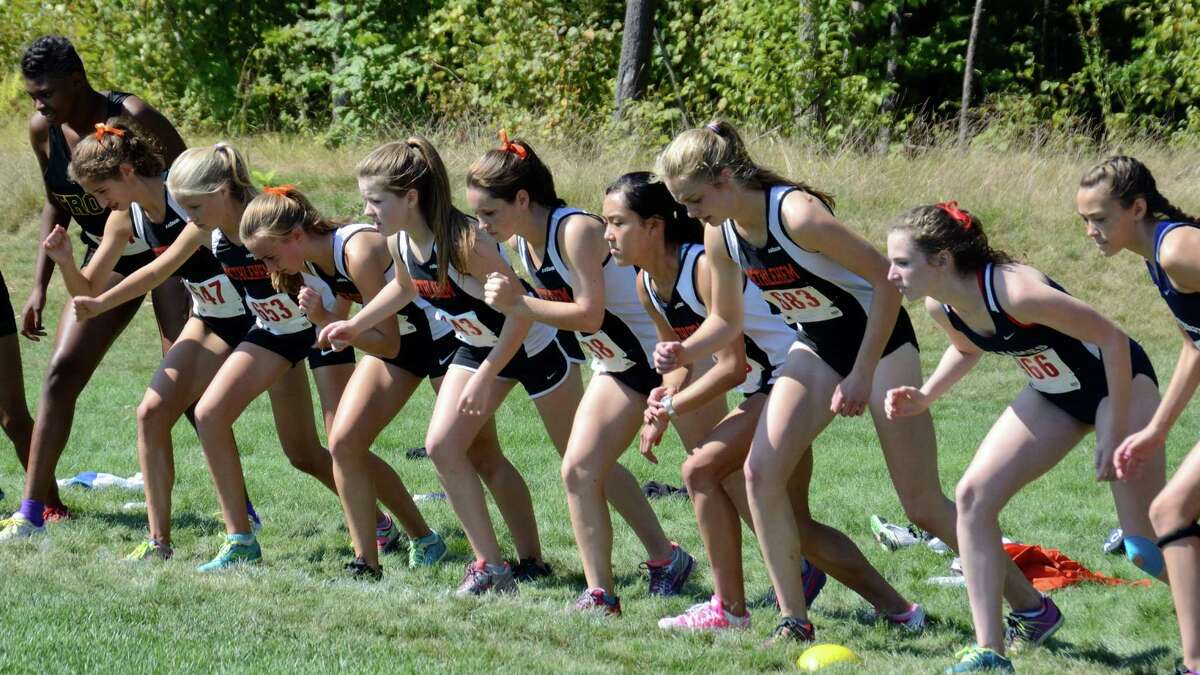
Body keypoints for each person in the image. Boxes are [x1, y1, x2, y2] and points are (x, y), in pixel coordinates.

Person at [654, 121, 929, 642]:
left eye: (694, 200)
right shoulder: (721, 232)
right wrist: (685, 350)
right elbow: (727, 320)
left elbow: (887, 283)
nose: (690, 215)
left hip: (882, 343)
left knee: (920, 504)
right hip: (819, 348)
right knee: (760, 474)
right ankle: (793, 621)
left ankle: (1026, 606)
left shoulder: (797, 215)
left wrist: (863, 373)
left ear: (726, 178)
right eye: (681, 205)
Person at [884, 200, 1164, 673]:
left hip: (1120, 385)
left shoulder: (1017, 292)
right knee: (972, 496)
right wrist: (927, 395)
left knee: (1146, 547)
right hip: (1055, 393)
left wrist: (1112, 420)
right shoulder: (942, 304)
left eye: (902, 262)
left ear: (942, 261)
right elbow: (965, 346)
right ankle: (991, 650)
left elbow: (1114, 341)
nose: (891, 274)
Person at [321, 136, 573, 596]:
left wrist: (484, 376)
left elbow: (519, 313)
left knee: (577, 462)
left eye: (376, 201)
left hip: (527, 345)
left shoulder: (466, 242)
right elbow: (403, 288)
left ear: (410, 197)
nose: (368, 212)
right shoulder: (399, 241)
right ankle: (492, 567)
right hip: (478, 345)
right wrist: (356, 325)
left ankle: (534, 558)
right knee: (444, 447)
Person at [472, 136, 709, 613]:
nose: (482, 225)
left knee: (717, 476)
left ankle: (797, 569)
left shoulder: (574, 230)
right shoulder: (520, 239)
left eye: (489, 214)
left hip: (673, 360)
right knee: (579, 469)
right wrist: (491, 363)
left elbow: (589, 315)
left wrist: (519, 301)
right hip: (618, 364)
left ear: (522, 199)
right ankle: (605, 592)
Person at [600, 171, 823, 630]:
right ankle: (897, 610)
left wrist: (671, 408)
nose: (607, 236)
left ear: (654, 225)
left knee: (702, 471)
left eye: (617, 223)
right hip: (763, 385)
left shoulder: (700, 266)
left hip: (794, 376)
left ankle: (731, 609)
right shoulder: (646, 282)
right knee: (799, 527)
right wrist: (664, 393)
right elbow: (680, 359)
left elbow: (730, 365)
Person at [3, 35, 191, 535]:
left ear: (76, 81)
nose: (39, 104)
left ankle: (240, 508)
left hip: (167, 252)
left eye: (46, 93)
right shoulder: (43, 130)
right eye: (32, 96)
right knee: (61, 372)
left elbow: (195, 180)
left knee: (187, 378)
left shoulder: (133, 115)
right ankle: (34, 510)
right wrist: (40, 285)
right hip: (105, 253)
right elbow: (55, 202)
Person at [238, 183, 447, 578]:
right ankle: (373, 559)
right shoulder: (313, 260)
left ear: (296, 235)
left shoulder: (357, 250)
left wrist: (328, 321)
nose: (269, 269)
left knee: (476, 453)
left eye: (269, 256)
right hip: (400, 342)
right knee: (343, 443)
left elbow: (385, 343)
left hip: (438, 339)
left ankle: (518, 560)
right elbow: (354, 312)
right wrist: (332, 319)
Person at [1077, 156, 1200, 675]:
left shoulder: (1177, 250)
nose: (1090, 231)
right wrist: (1156, 429)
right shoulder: (1158, 257)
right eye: (1084, 220)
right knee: (1168, 513)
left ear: (1138, 208)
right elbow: (1195, 347)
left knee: (1169, 512)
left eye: (1100, 218)